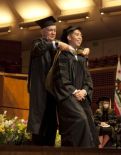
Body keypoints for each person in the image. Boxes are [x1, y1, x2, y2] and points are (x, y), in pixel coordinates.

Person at [27, 16, 90, 146]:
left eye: (54, 30)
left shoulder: (58, 47)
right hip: (41, 91)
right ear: (42, 32)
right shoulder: (37, 43)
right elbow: (41, 48)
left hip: (54, 92)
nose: (53, 33)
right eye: (50, 30)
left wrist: (83, 51)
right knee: (40, 123)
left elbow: (72, 50)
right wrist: (57, 44)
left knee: (52, 124)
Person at [46, 25, 99, 147]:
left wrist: (84, 92)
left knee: (90, 123)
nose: (80, 37)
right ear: (69, 37)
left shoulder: (81, 57)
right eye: (77, 34)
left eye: (81, 35)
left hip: (81, 97)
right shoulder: (62, 56)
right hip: (68, 97)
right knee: (81, 119)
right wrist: (75, 92)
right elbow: (61, 80)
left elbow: (88, 79)